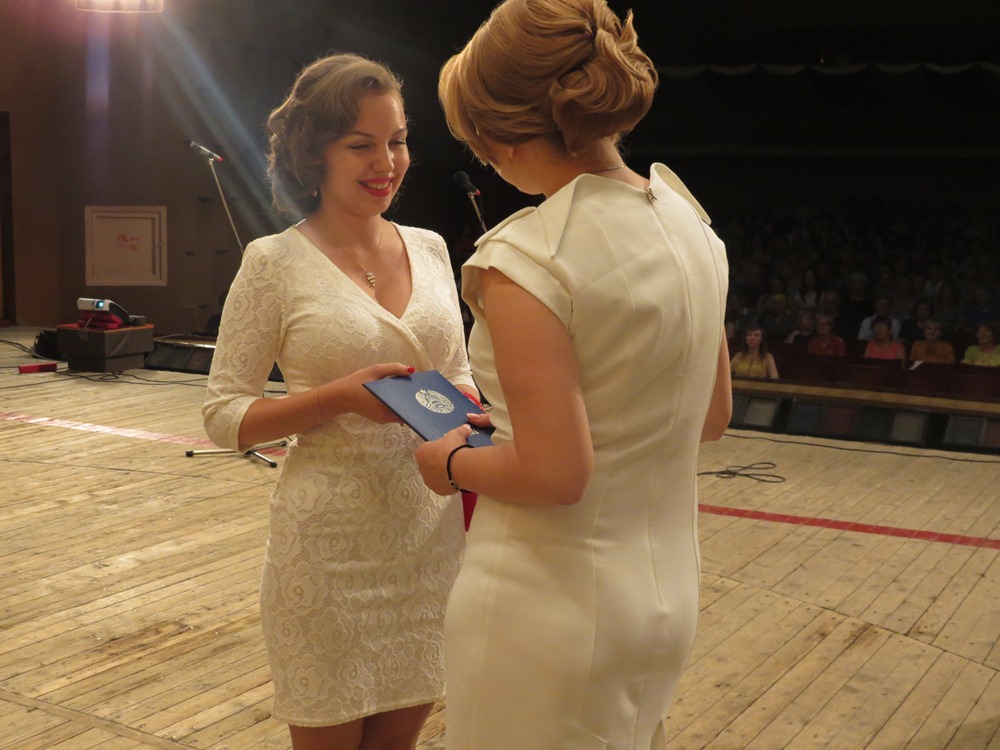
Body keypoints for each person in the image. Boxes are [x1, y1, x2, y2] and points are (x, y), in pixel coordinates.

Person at [417, 1, 732, 746]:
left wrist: (450, 462)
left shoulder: (526, 257)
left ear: (500, 136)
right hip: (666, 595)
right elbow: (712, 416)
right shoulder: (691, 223)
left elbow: (557, 473)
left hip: (543, 601)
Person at [202, 53, 476, 750]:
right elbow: (225, 416)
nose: (387, 162)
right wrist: (336, 399)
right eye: (361, 145)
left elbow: (458, 376)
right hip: (326, 552)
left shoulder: (432, 249)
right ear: (313, 153)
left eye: (398, 140)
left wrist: (470, 407)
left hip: (427, 540)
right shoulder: (272, 262)